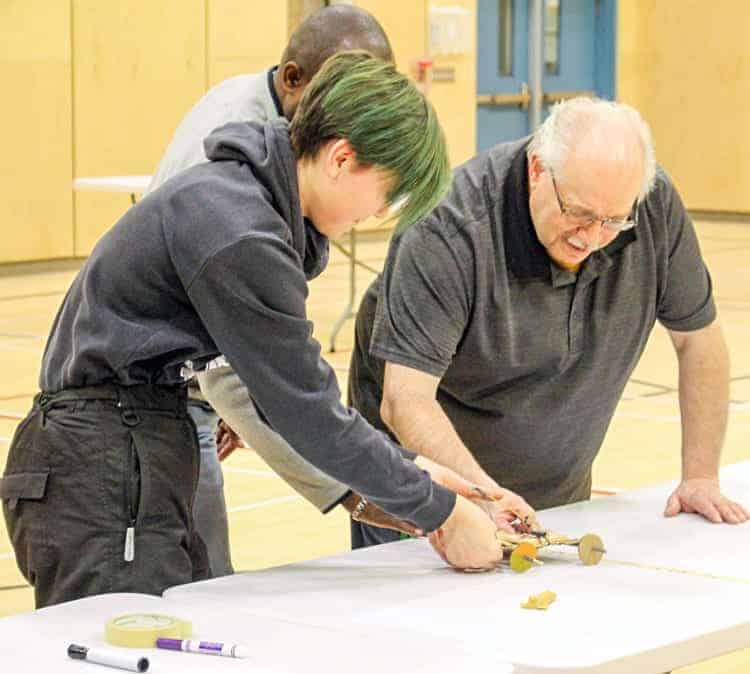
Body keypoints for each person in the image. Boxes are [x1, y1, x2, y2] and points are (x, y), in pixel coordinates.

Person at [1, 51, 518, 609]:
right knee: (124, 647)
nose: (379, 213)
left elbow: (284, 397)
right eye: (386, 192)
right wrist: (440, 512)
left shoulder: (244, 201)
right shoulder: (241, 230)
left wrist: (417, 472)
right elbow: (307, 411)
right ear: (342, 159)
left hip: (130, 445)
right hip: (100, 464)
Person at [347, 97, 750, 549]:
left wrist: (700, 475)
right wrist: (486, 500)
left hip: (558, 498)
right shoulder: (448, 226)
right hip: (432, 506)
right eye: (578, 213)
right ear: (538, 169)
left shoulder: (648, 203)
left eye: (613, 221)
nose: (591, 237)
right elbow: (405, 402)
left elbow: (698, 342)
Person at [145, 5, 397, 579]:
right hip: (146, 411)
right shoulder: (230, 152)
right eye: (341, 93)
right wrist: (350, 493)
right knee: (192, 596)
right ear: (292, 79)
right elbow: (230, 367)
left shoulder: (281, 135)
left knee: (208, 586)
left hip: (186, 399)